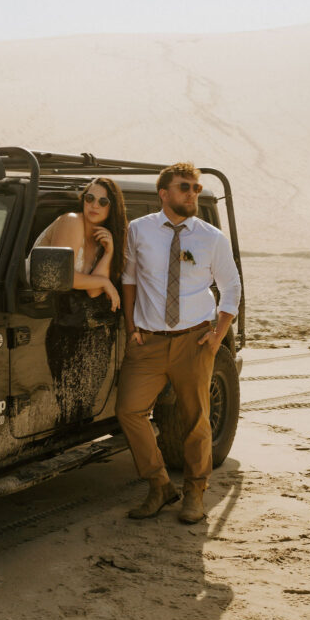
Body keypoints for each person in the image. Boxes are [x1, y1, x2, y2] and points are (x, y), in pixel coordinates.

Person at [116, 162, 241, 524]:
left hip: (194, 340)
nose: (192, 193)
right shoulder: (138, 231)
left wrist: (217, 335)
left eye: (196, 188)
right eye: (184, 187)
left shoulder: (211, 237)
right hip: (149, 341)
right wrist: (131, 326)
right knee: (129, 410)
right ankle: (159, 485)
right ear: (164, 194)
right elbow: (129, 279)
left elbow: (231, 287)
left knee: (195, 420)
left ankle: (195, 493)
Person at [33, 178, 126, 425]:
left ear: (111, 208)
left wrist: (109, 253)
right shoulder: (71, 221)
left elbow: (94, 292)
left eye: (102, 201)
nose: (94, 205)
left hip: (75, 321)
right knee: (70, 405)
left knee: (79, 406)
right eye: (89, 198)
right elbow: (62, 277)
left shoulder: (99, 237)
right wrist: (105, 284)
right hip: (46, 313)